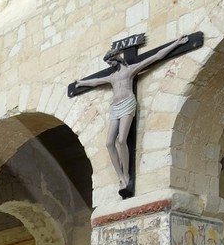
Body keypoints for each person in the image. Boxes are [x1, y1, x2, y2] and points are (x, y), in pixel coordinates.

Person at [72, 35, 190, 197]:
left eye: (110, 61)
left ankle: (126, 175)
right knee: (108, 143)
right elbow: (96, 81)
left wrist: (176, 43)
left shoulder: (129, 71)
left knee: (122, 140)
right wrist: (80, 83)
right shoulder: (112, 77)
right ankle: (120, 176)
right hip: (115, 107)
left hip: (128, 103)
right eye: (108, 63)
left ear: (117, 59)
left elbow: (155, 57)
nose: (109, 64)